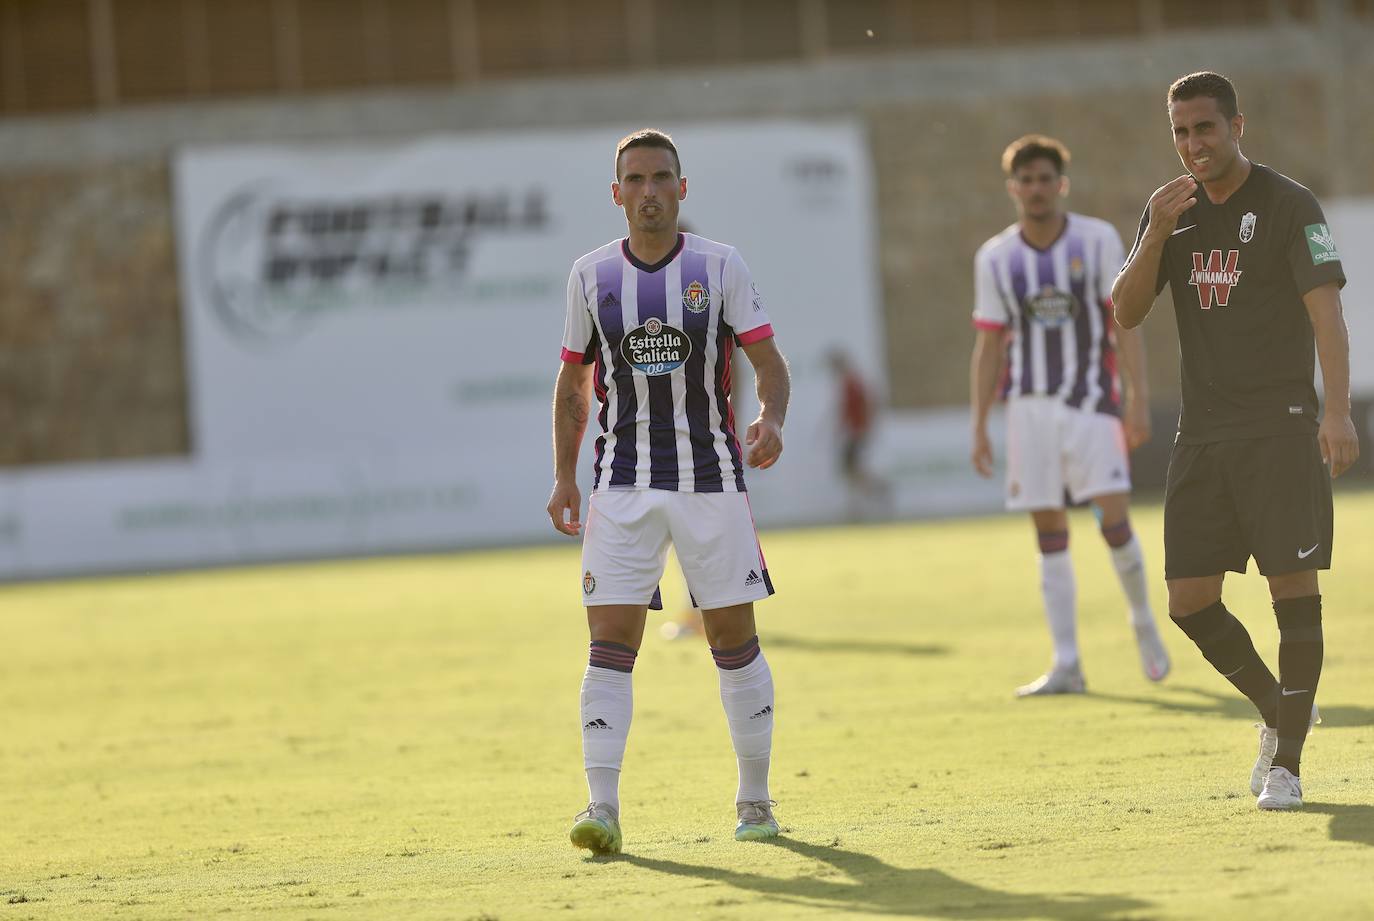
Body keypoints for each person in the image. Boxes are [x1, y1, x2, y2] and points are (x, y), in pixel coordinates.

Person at [1112, 72, 1358, 810]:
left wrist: (1337, 411)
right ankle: (1279, 710)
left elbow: (1328, 318)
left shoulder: (1290, 204)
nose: (1193, 145)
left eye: (1205, 129)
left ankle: (1287, 763)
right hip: (1203, 435)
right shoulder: (1172, 215)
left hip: (1280, 428)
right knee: (1188, 600)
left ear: (1237, 125)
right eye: (1181, 133)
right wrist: (1154, 229)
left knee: (1294, 592)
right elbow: (1124, 312)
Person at [547, 129, 792, 853]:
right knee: (608, 644)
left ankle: (754, 800)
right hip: (620, 487)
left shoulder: (719, 266)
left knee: (733, 639)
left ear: (682, 189)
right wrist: (564, 475)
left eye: (661, 178)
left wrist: (770, 416)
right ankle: (602, 808)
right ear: (617, 193)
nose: (648, 191)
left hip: (710, 482)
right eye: (635, 179)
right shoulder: (591, 276)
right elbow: (572, 384)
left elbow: (770, 363)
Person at [970, 134, 1171, 698]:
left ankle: (1144, 624)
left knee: (1113, 521)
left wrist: (1136, 397)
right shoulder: (996, 257)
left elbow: (1123, 321)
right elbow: (988, 345)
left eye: (1044, 179)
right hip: (1028, 411)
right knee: (1048, 533)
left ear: (1061, 184)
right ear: (1014, 189)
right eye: (1025, 180)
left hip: (1090, 404)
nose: (1035, 189)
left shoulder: (1097, 239)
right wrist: (980, 422)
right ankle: (1067, 662)